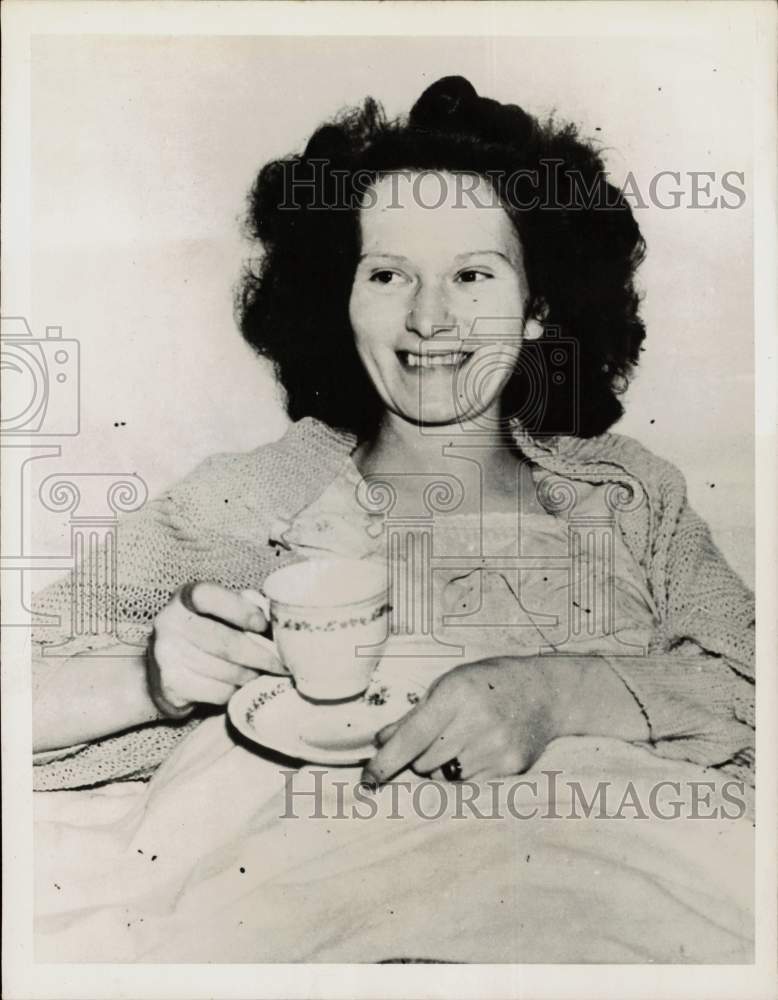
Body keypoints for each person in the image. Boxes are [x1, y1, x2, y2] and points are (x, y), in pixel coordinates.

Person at [31, 76, 754, 793]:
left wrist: (558, 693)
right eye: (387, 276)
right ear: (336, 301)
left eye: (472, 276)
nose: (429, 319)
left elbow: (750, 685)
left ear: (537, 307)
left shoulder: (634, 495)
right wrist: (150, 682)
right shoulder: (245, 500)